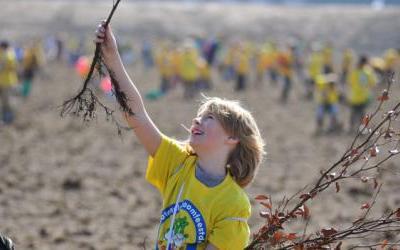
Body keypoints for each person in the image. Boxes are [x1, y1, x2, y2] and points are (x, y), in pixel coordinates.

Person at [94, 22, 265, 249]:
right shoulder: (178, 163)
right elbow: (136, 115)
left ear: (232, 138)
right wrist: (113, 57)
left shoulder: (234, 204)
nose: (197, 120)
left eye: (209, 118)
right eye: (199, 115)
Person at [346, 55, 377, 133]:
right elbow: (373, 82)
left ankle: (354, 128)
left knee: (356, 113)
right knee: (359, 113)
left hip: (356, 96)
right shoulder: (367, 71)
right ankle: (359, 128)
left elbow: (349, 83)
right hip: (362, 97)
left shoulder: (355, 71)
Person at [0, 40, 19, 125]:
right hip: (5, 81)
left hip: (8, 81)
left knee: (7, 101)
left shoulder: (8, 55)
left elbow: (11, 67)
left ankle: (9, 119)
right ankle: (6, 118)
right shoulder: (7, 53)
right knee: (5, 101)